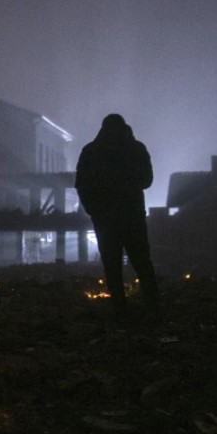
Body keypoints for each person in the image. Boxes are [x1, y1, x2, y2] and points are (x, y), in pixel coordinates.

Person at [75, 113, 160, 318]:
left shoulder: (91, 151)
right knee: (142, 262)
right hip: (133, 216)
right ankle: (153, 306)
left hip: (105, 219)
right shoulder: (136, 149)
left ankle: (120, 310)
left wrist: (92, 208)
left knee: (112, 266)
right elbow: (147, 180)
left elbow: (81, 184)